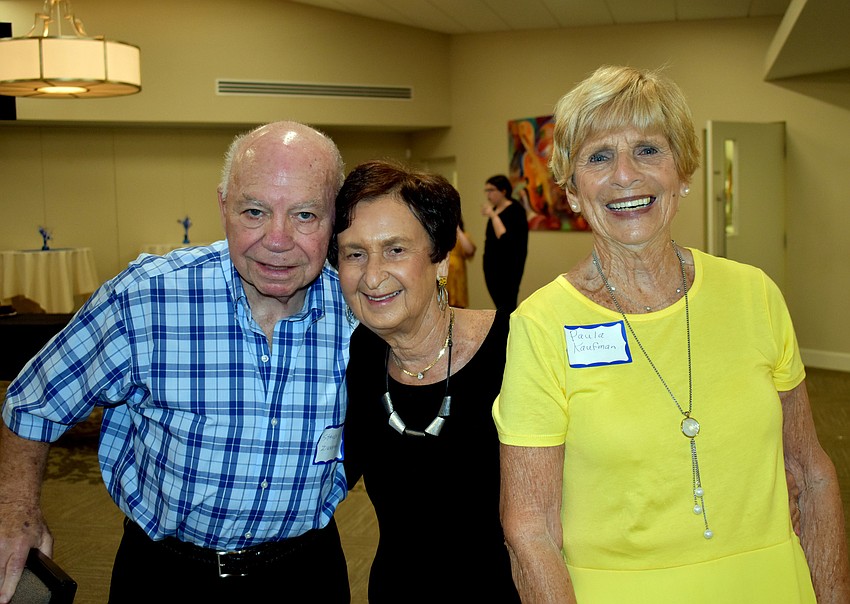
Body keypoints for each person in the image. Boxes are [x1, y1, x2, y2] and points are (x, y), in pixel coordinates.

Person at [494, 65, 850, 603]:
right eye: (598, 157)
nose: (625, 176)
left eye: (648, 150)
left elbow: (809, 471)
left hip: (771, 583)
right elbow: (530, 528)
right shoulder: (541, 326)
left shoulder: (755, 294)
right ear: (570, 190)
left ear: (683, 172)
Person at [0, 121, 354, 603]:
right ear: (223, 206)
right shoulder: (146, 298)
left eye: (305, 215)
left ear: (336, 219)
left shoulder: (359, 310)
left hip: (306, 573)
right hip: (167, 575)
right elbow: (32, 403)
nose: (277, 238)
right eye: (254, 211)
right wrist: (15, 512)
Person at [330, 160, 519, 603]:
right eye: (354, 253)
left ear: (440, 258)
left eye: (395, 249)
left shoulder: (516, 347)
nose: (372, 276)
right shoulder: (358, 356)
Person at [481, 174, 528, 313]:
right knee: (499, 305)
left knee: (507, 306)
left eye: (491, 190)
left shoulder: (516, 210)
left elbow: (504, 238)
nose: (488, 195)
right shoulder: (494, 210)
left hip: (508, 266)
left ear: (503, 191)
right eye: (486, 191)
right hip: (491, 265)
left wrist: (493, 216)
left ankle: (508, 333)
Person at [446, 216, 476, 308]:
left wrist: (457, 229)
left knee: (458, 306)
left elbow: (470, 250)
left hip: (458, 276)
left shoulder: (463, 235)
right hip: (443, 274)